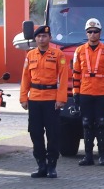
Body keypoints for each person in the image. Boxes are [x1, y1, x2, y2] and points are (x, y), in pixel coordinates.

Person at [19, 24, 71, 179]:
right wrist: (23, 97)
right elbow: (25, 77)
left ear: (50, 38)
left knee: (53, 133)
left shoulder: (57, 54)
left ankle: (52, 165)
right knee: (35, 133)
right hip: (34, 98)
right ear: (35, 38)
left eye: (45, 36)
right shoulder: (30, 55)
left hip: (51, 100)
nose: (42, 39)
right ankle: (41, 164)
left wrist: (61, 99)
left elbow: (63, 77)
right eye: (39, 36)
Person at [71, 17, 104, 166]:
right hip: (85, 92)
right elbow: (76, 74)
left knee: (101, 124)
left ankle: (102, 156)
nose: (93, 34)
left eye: (95, 31)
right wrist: (76, 93)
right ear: (86, 33)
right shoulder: (79, 50)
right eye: (90, 31)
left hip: (102, 93)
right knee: (86, 124)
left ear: (100, 33)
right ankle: (88, 156)